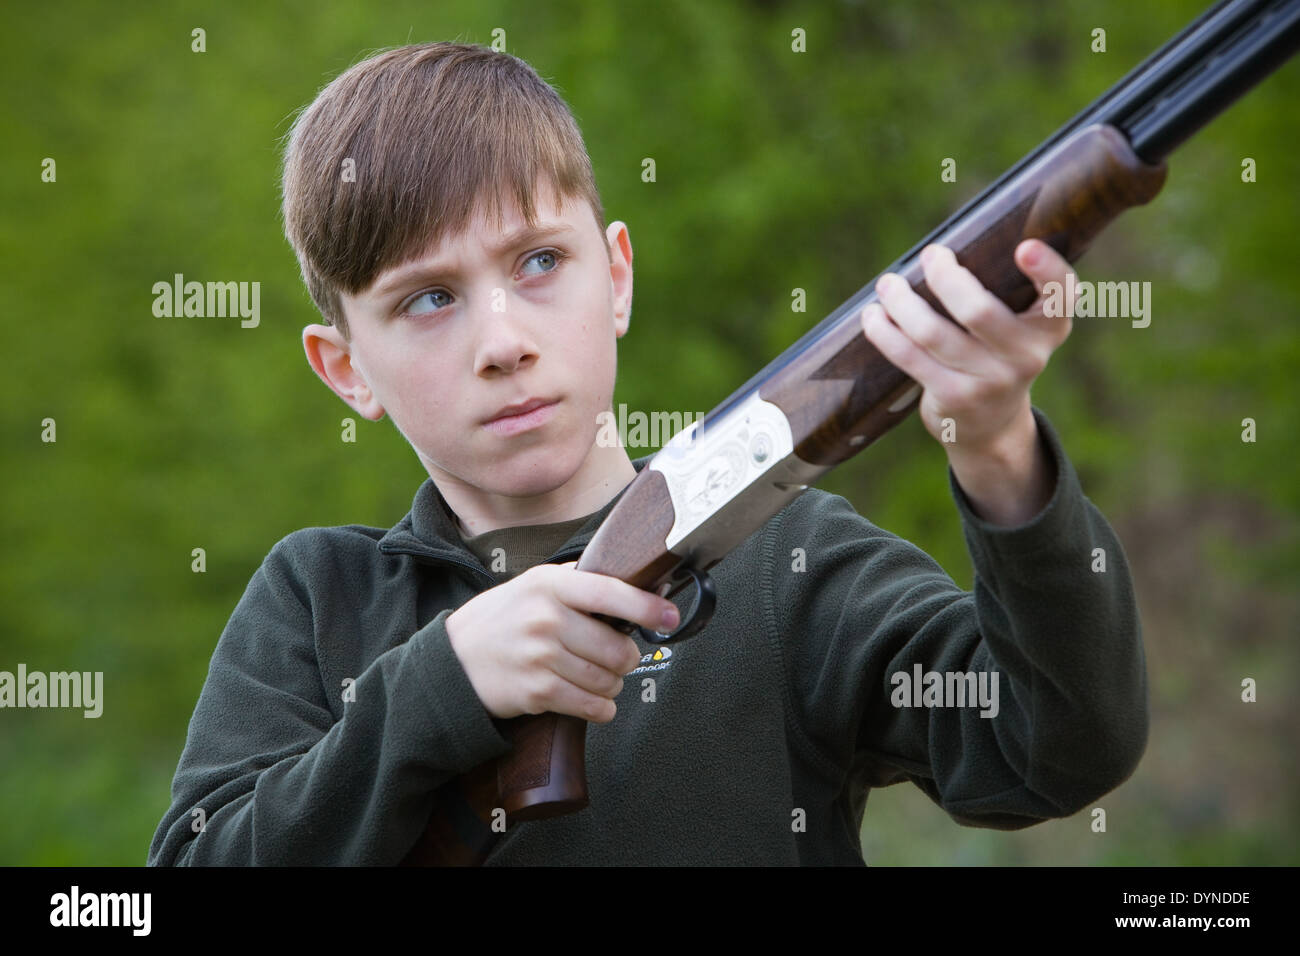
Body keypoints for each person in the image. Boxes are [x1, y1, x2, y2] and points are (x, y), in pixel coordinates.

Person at [147, 41, 1147, 866]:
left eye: (539, 262)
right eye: (428, 298)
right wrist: (443, 684)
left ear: (616, 276)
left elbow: (1054, 749)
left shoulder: (789, 563)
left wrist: (997, 442)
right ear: (345, 368)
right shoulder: (318, 597)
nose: (502, 340)